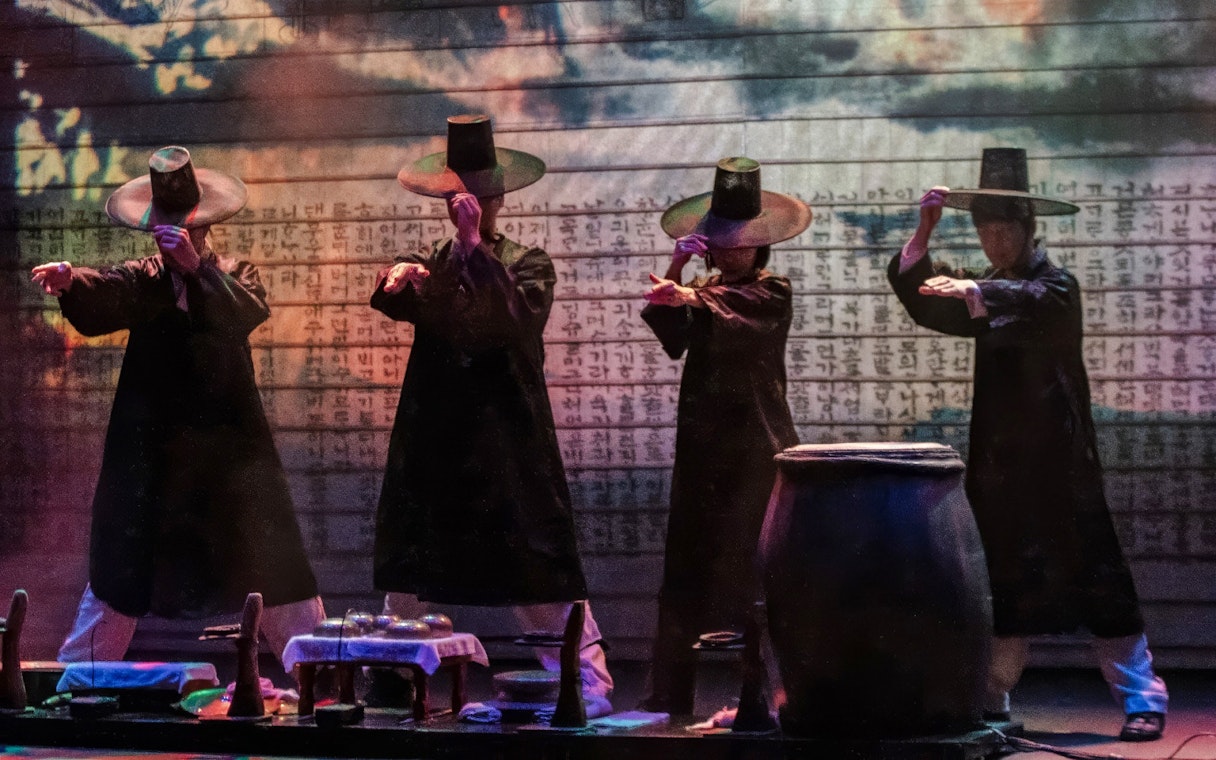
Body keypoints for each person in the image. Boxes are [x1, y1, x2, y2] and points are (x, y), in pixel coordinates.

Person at [887, 148, 1168, 742]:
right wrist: (927, 229)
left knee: (1098, 575)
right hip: (1000, 462)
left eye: (1004, 229)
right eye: (985, 230)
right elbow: (923, 302)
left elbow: (1037, 303)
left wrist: (974, 291)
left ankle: (1143, 697)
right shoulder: (982, 289)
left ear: (1026, 229)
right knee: (1001, 579)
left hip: (1061, 461)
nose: (993, 242)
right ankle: (992, 700)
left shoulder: (1055, 287)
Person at [31, 146, 325, 673]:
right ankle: (77, 681)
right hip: (155, 455)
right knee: (122, 572)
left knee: (275, 564)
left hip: (231, 455)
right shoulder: (142, 278)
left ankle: (320, 679)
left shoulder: (237, 274)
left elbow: (244, 313)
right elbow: (107, 291)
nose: (170, 242)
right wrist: (72, 281)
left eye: (182, 232)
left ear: (202, 228)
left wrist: (197, 270)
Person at [368, 115, 612, 716]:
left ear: (495, 200)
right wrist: (398, 279)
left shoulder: (530, 264)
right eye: (456, 198)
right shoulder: (429, 261)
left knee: (533, 564)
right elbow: (394, 300)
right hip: (435, 438)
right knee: (411, 568)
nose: (466, 205)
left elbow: (508, 322)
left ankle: (586, 682)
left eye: (476, 197)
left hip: (504, 439)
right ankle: (393, 681)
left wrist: (475, 249)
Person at [638, 157, 810, 715]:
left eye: (744, 240)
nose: (733, 248)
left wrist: (692, 296)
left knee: (754, 576)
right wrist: (676, 272)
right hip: (704, 449)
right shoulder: (706, 287)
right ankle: (668, 698)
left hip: (756, 450)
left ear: (761, 245)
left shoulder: (771, 291)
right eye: (723, 240)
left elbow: (738, 311)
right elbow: (674, 333)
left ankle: (763, 696)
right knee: (686, 570)